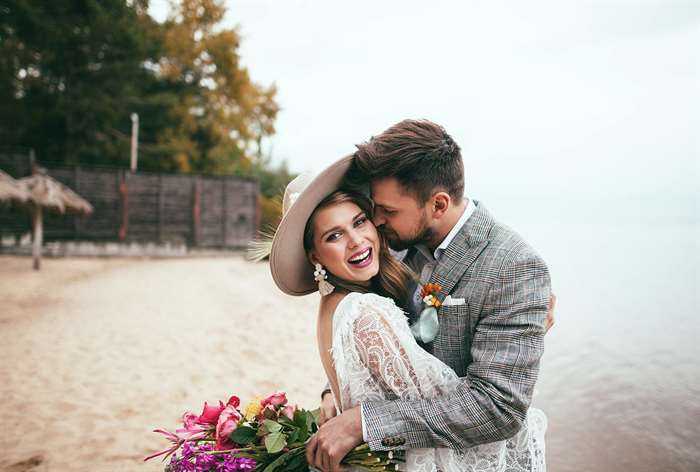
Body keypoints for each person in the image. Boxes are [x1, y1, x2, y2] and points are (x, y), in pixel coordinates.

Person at [267, 133, 551, 470]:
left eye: (385, 211)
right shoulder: (394, 247)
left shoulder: (513, 265)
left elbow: (499, 408)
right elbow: (378, 347)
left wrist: (366, 422)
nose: (377, 224)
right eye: (374, 210)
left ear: (438, 204)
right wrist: (337, 391)